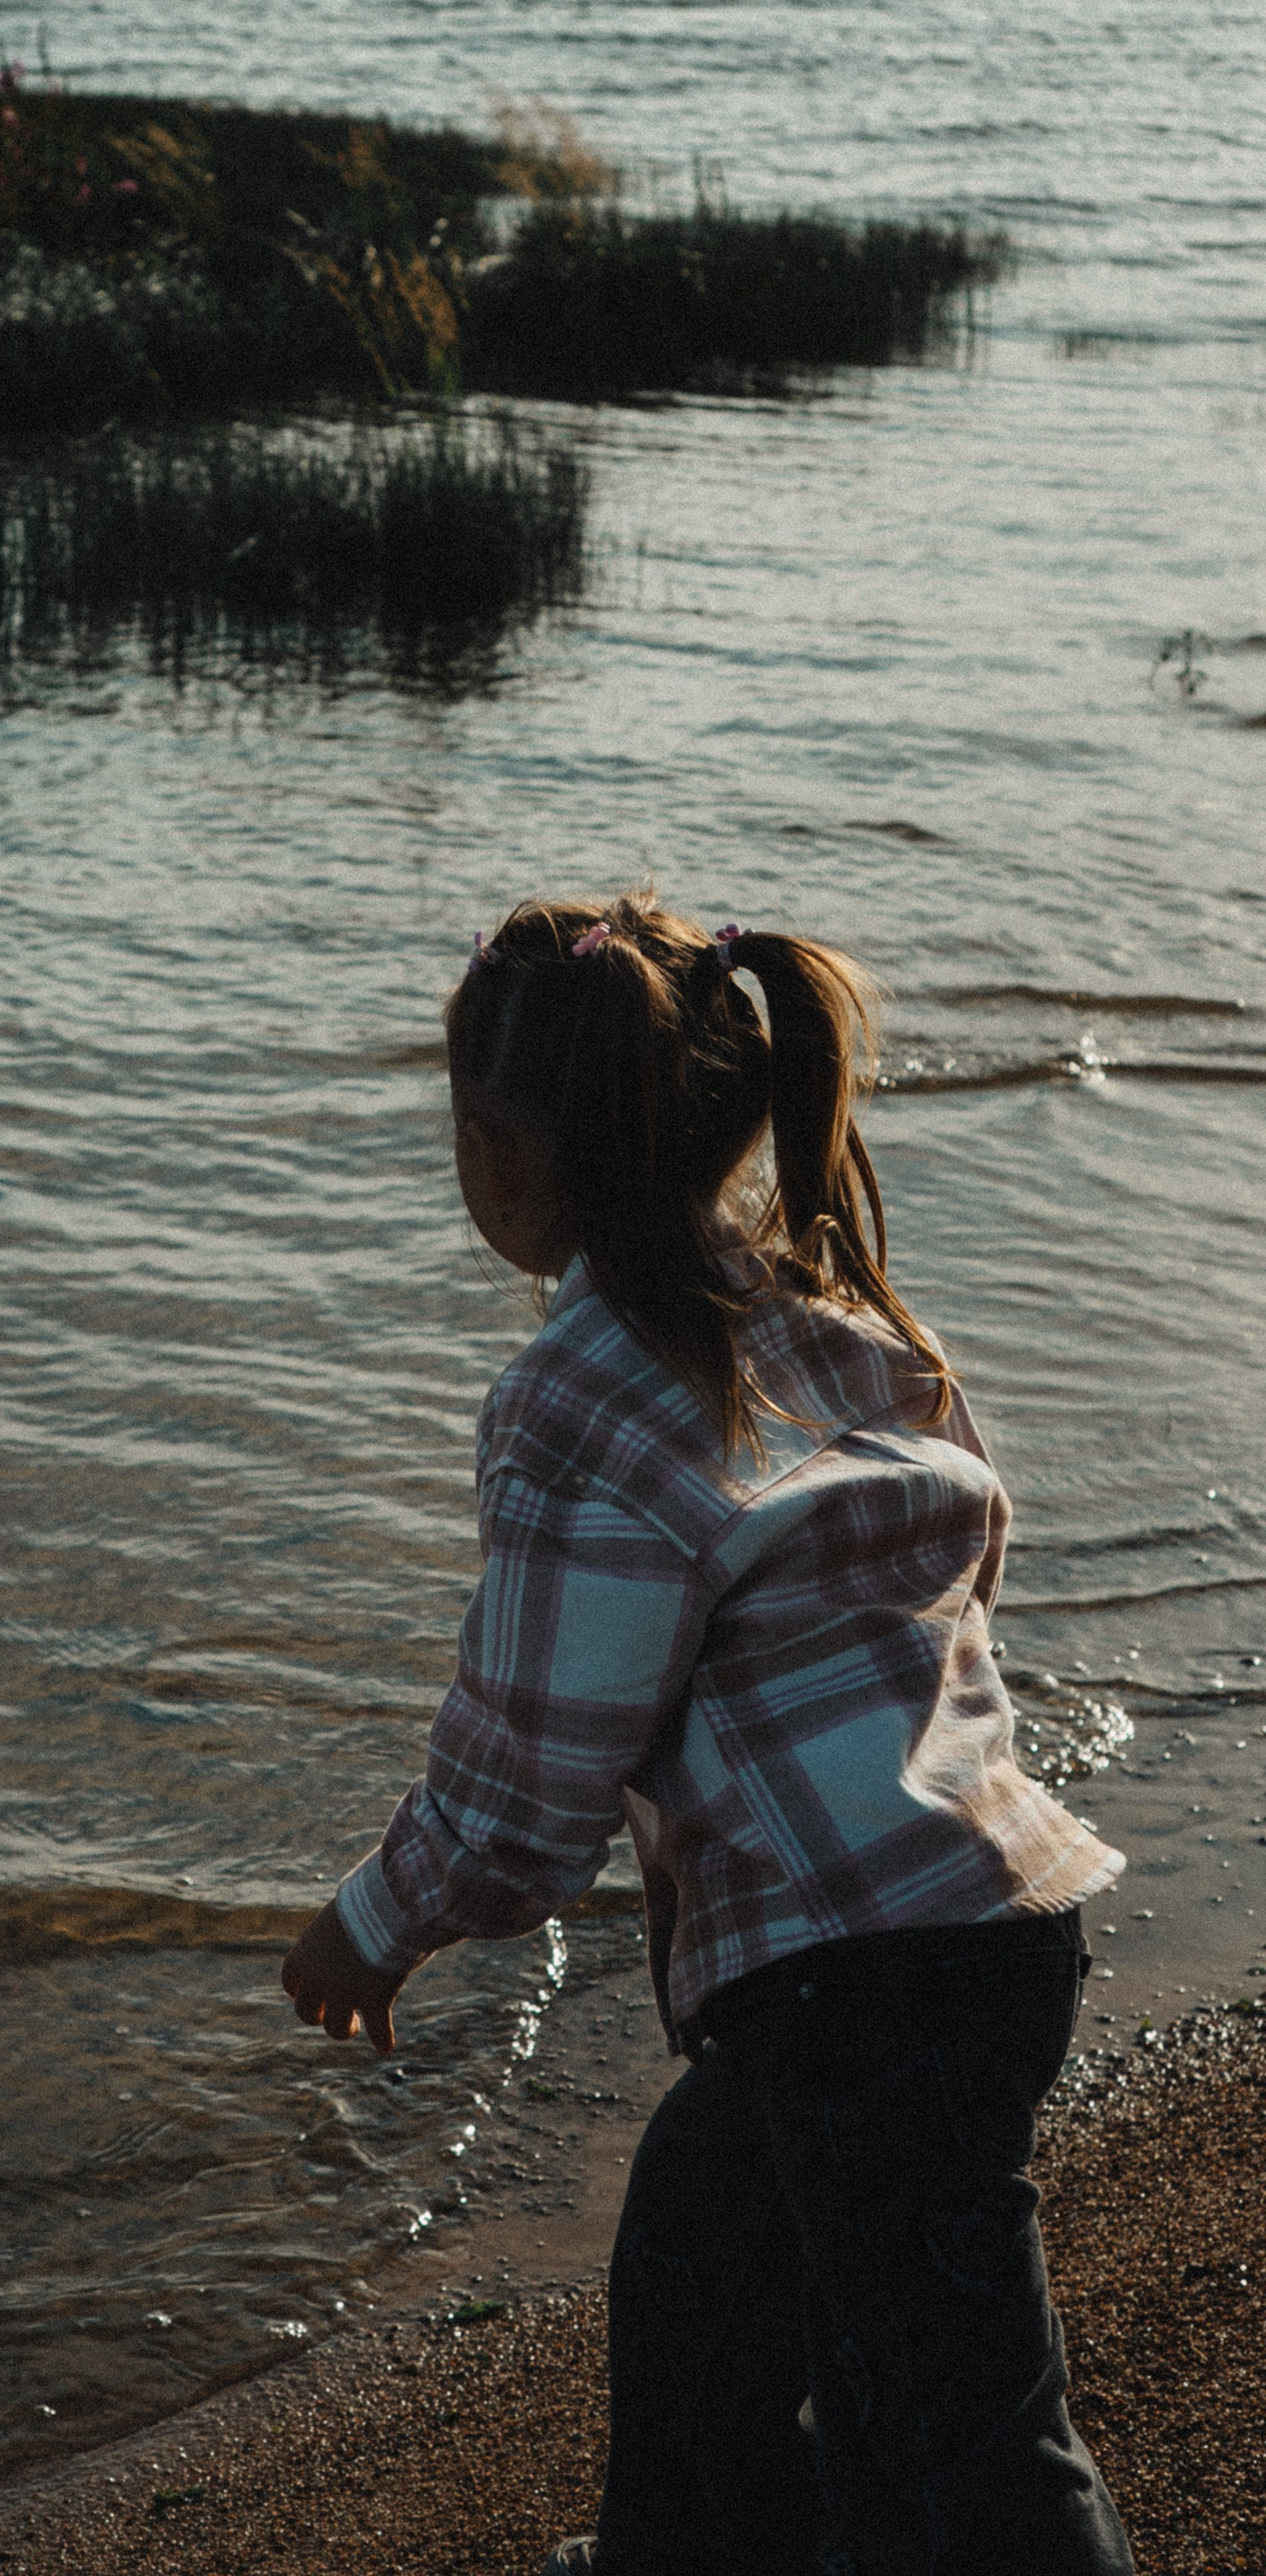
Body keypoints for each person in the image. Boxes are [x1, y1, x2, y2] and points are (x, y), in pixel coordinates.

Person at [281, 890, 1133, 2576]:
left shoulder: (573, 1397)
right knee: (704, 2268)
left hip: (852, 1984)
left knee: (963, 2438)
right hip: (994, 1922)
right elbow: (960, 1577)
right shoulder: (839, 1315)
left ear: (498, 1153)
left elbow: (528, 1784)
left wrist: (373, 1924)